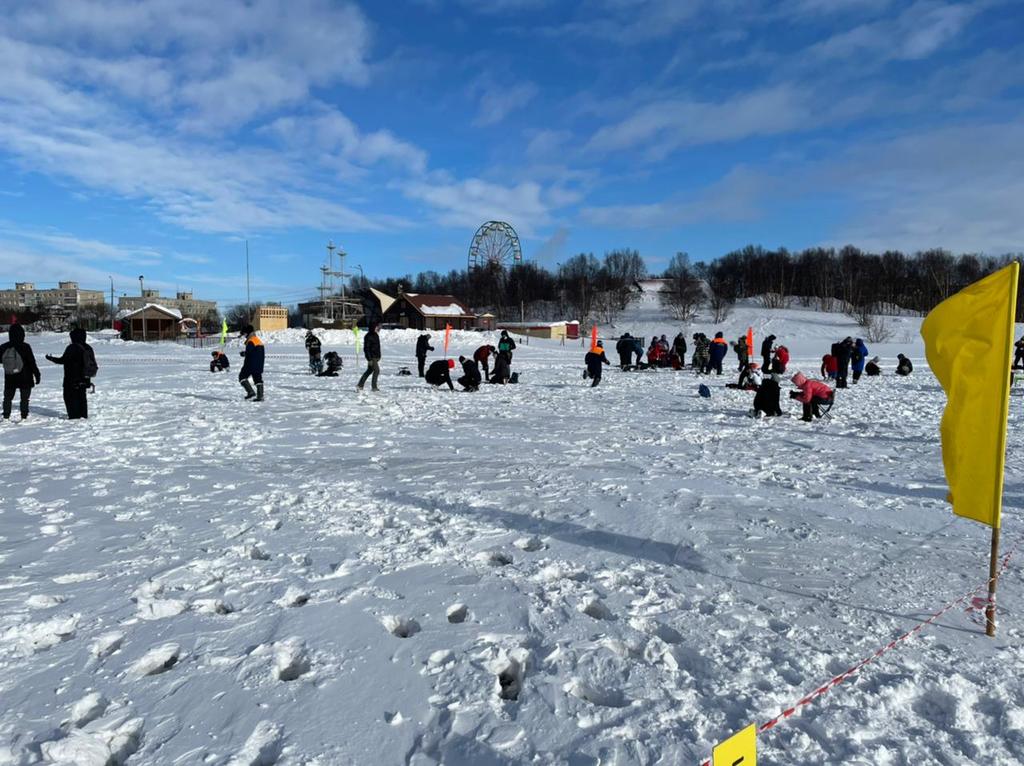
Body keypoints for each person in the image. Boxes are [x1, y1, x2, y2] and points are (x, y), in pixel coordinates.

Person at [45, 327, 94, 419]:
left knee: (70, 397)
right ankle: (83, 415)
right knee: (82, 397)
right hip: (85, 377)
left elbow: (63, 360)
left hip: (71, 378)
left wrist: (51, 359)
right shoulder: (88, 347)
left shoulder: (72, 347)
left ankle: (74, 416)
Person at [1, 323, 41, 420]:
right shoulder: (25, 347)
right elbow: (32, 362)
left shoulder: (4, 346)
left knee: (7, 398)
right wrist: (37, 374)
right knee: (24, 399)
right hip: (25, 377)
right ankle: (24, 415)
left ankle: (6, 415)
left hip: (10, 377)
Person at [238, 324, 265, 401]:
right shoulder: (257, 340)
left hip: (250, 363)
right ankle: (260, 396)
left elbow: (249, 352)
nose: (244, 336)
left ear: (247, 333)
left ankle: (250, 392)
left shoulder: (251, 341)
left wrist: (244, 353)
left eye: (244, 334)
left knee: (242, 377)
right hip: (259, 364)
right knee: (258, 379)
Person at [357, 323, 382, 391]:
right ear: (373, 328)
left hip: (376, 356)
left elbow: (377, 347)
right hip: (372, 357)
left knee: (369, 370)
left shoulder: (376, 335)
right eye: (376, 327)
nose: (378, 328)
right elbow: (366, 349)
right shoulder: (368, 336)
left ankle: (360, 385)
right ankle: (374, 387)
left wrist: (379, 356)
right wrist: (369, 359)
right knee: (376, 370)